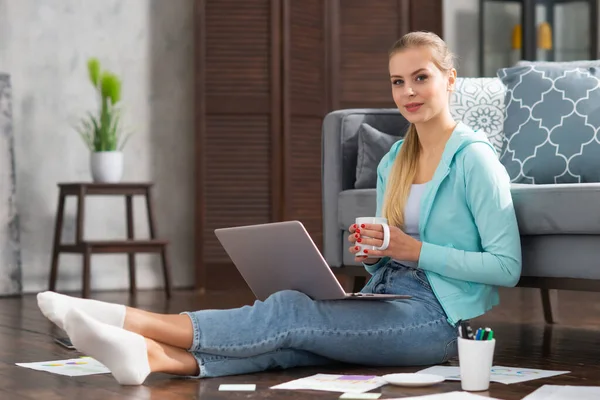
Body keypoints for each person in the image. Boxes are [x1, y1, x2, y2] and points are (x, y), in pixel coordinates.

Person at [36, 31, 521, 386]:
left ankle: (123, 318)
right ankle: (150, 357)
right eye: (398, 82)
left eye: (421, 77)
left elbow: (506, 267)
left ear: (450, 79)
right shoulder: (395, 159)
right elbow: (388, 253)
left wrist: (414, 250)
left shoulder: (475, 159)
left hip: (434, 321)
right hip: (384, 295)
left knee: (289, 313)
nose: (408, 92)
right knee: (292, 340)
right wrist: (375, 251)